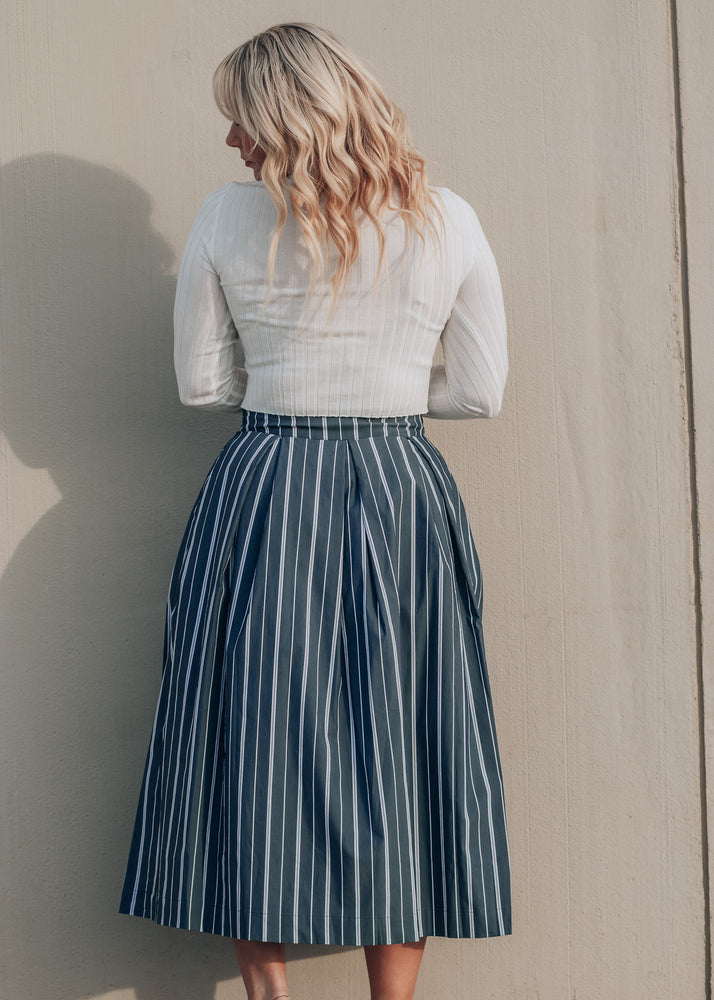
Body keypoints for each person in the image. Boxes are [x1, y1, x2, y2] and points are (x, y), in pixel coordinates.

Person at [119, 21, 512, 1000]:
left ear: (284, 117)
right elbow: (479, 391)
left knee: (254, 732)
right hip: (401, 486)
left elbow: (201, 383)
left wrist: (300, 368)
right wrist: (380, 375)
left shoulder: (224, 217)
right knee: (411, 731)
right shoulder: (448, 218)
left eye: (240, 120)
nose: (229, 143)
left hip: (269, 482)